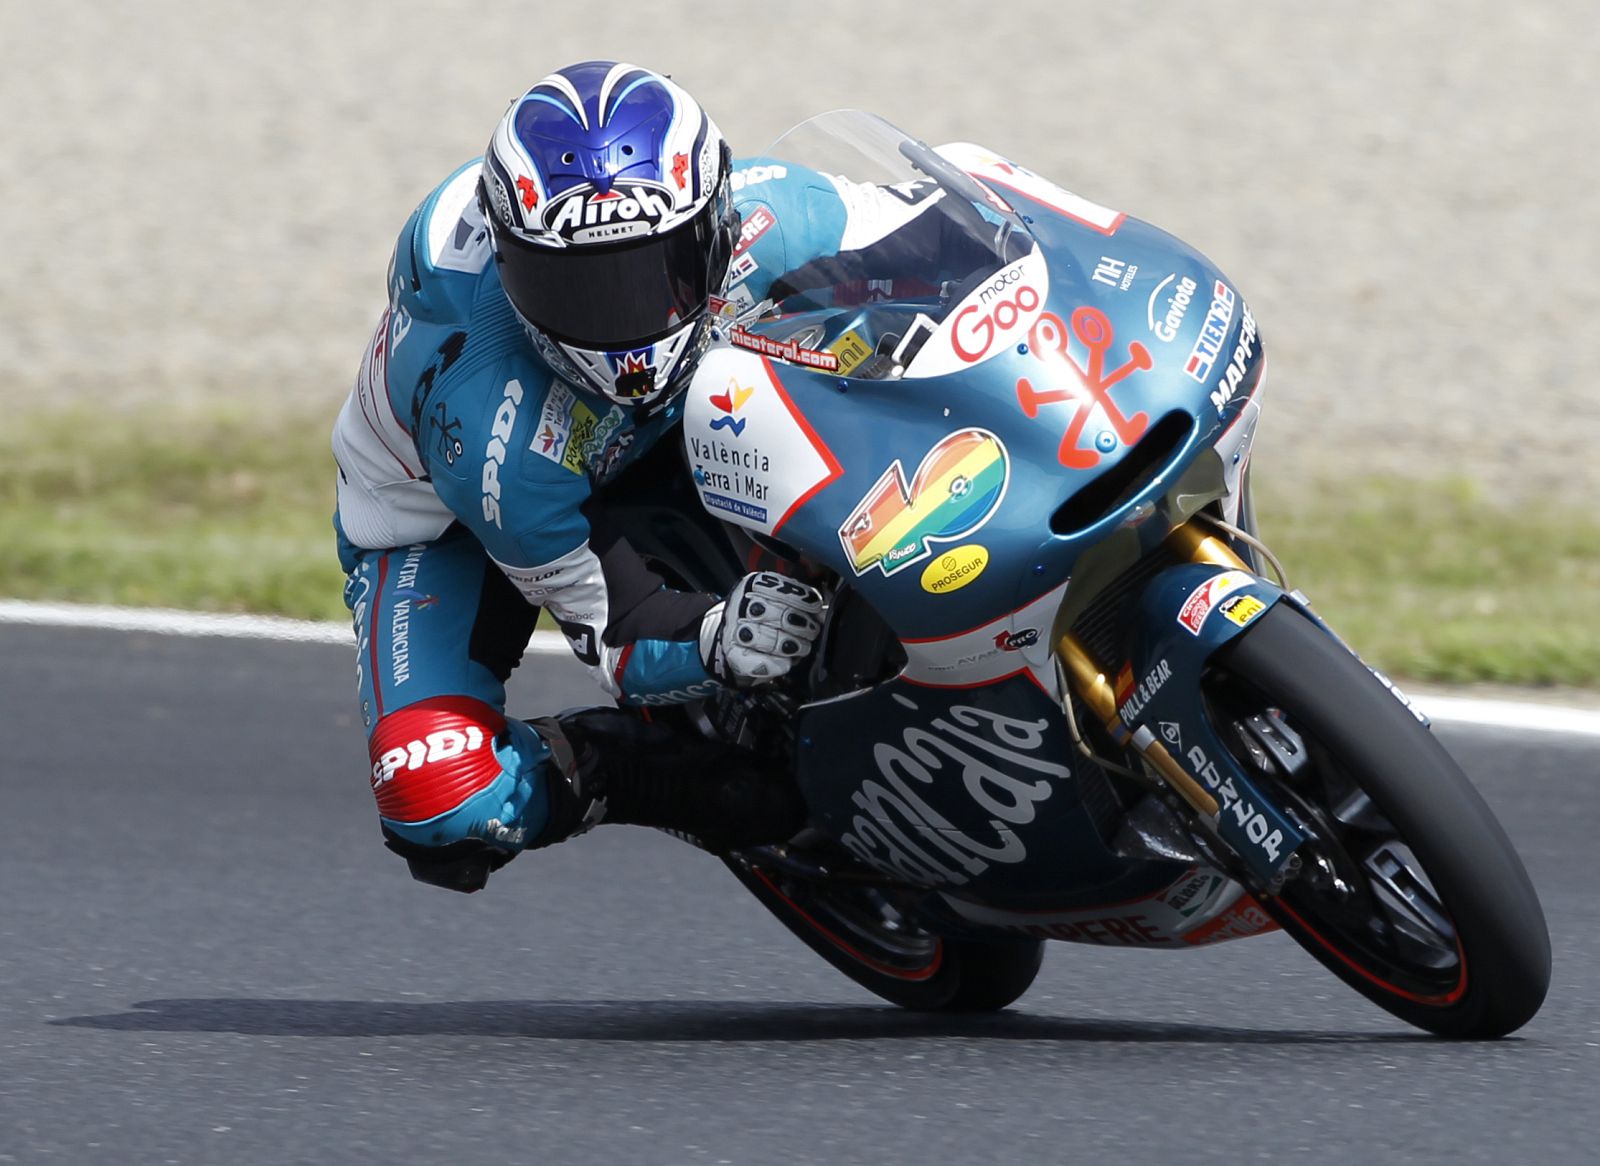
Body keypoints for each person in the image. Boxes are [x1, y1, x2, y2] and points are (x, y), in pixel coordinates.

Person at [332, 60, 980, 893]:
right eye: (578, 288)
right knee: (437, 797)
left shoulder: (769, 211)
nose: (624, 322)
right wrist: (716, 640)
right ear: (509, 265)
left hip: (667, 416)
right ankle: (623, 768)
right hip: (451, 521)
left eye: (658, 268)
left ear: (714, 220)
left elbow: (942, 232)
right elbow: (619, 629)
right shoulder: (492, 435)